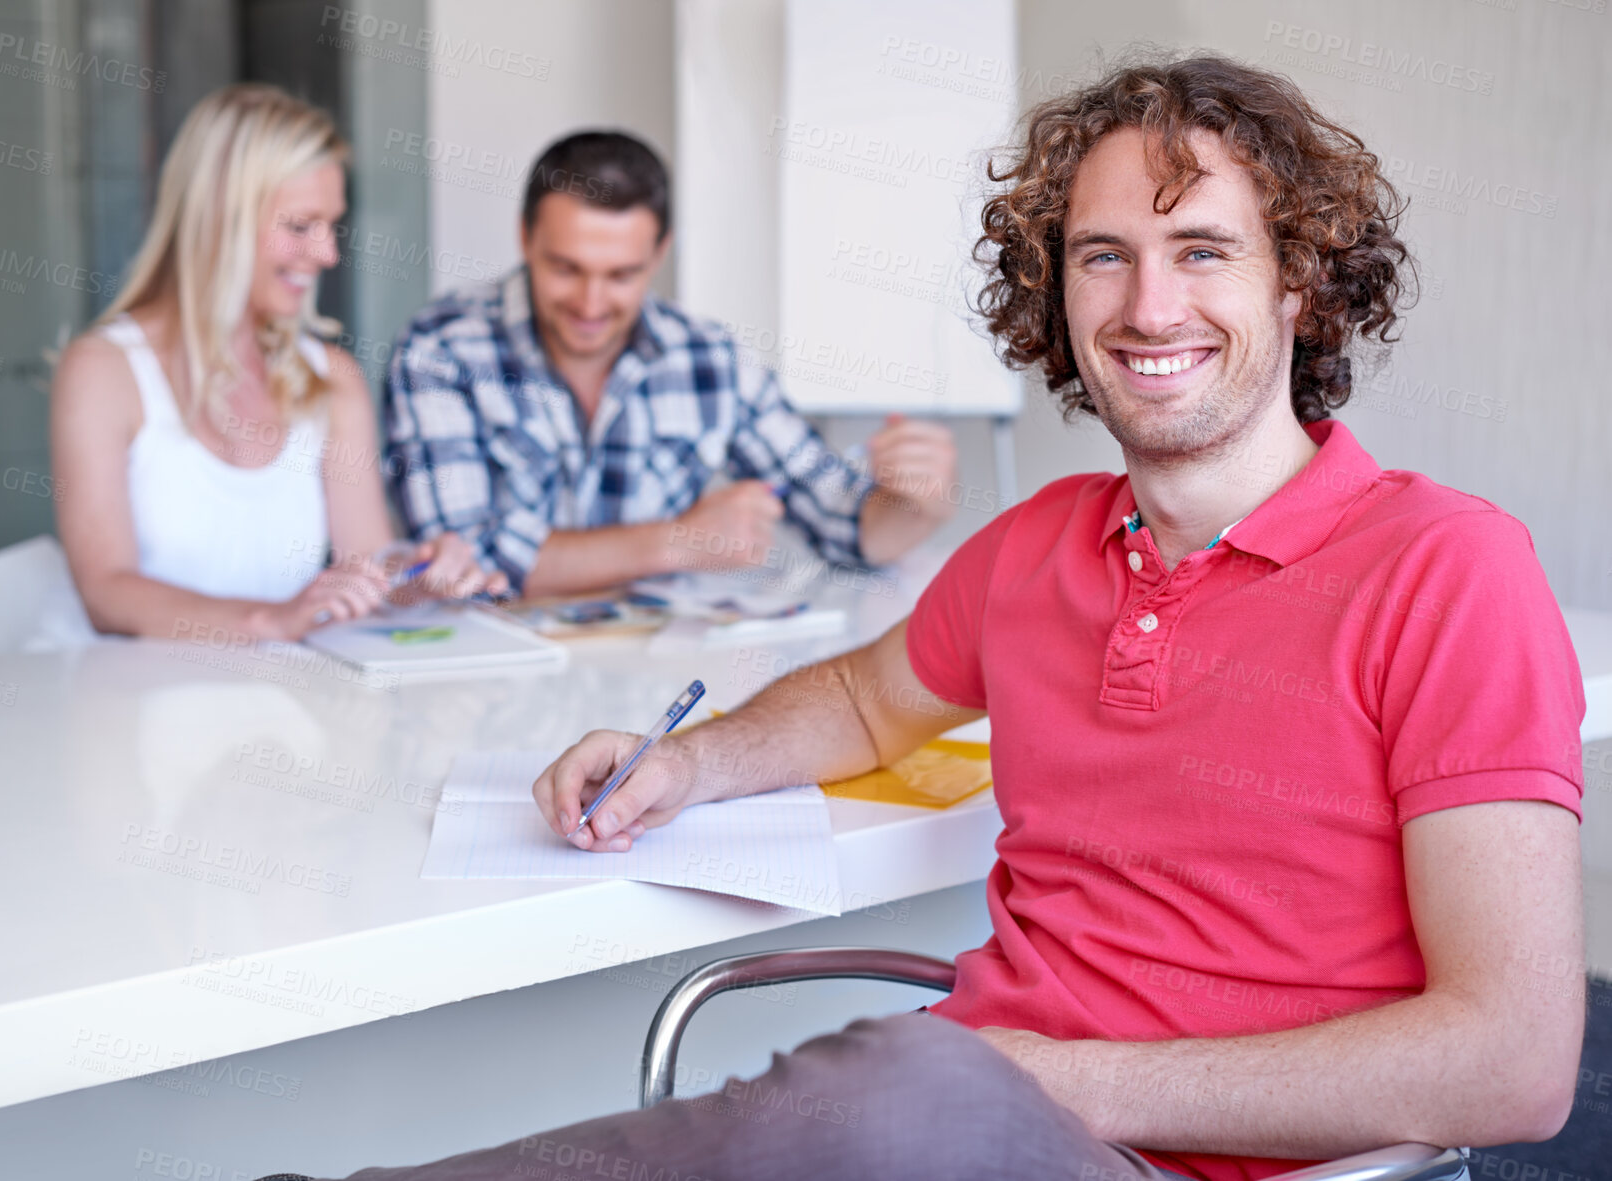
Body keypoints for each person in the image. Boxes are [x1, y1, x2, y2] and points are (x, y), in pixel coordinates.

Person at [287, 55, 1585, 1181]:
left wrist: (1070, 1083)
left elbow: (1514, 1061)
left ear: (1298, 282)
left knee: (900, 1090)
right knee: (889, 1096)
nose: (1147, 306)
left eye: (1202, 252)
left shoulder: (1446, 568)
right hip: (950, 1119)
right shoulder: (1037, 544)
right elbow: (860, 700)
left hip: (1090, 1135)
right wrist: (685, 759)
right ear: (1056, 294)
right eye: (1102, 256)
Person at [383, 130, 961, 598]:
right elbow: (458, 561)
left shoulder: (709, 358)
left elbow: (845, 528)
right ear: (525, 239)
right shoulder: (443, 350)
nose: (589, 303)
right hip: (485, 692)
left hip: (655, 692)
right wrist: (680, 542)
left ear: (659, 253)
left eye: (621, 275)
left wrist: (913, 502)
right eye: (566, 268)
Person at [52, 83, 497, 642]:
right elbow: (107, 592)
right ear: (219, 216)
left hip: (279, 712)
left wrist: (423, 576)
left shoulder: (332, 379)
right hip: (129, 710)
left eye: (332, 226)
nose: (328, 253)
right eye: (300, 226)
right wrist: (272, 620)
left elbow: (368, 568)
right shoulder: (102, 371)